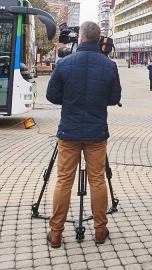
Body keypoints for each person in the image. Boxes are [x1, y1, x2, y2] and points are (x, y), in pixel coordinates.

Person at [46, 21, 122, 248]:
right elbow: (113, 98)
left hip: (69, 131)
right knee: (97, 180)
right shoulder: (109, 66)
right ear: (100, 40)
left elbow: (52, 96)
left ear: (80, 39)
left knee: (63, 181)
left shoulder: (65, 63)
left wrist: (70, 99)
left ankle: (56, 233)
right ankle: (100, 230)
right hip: (96, 132)